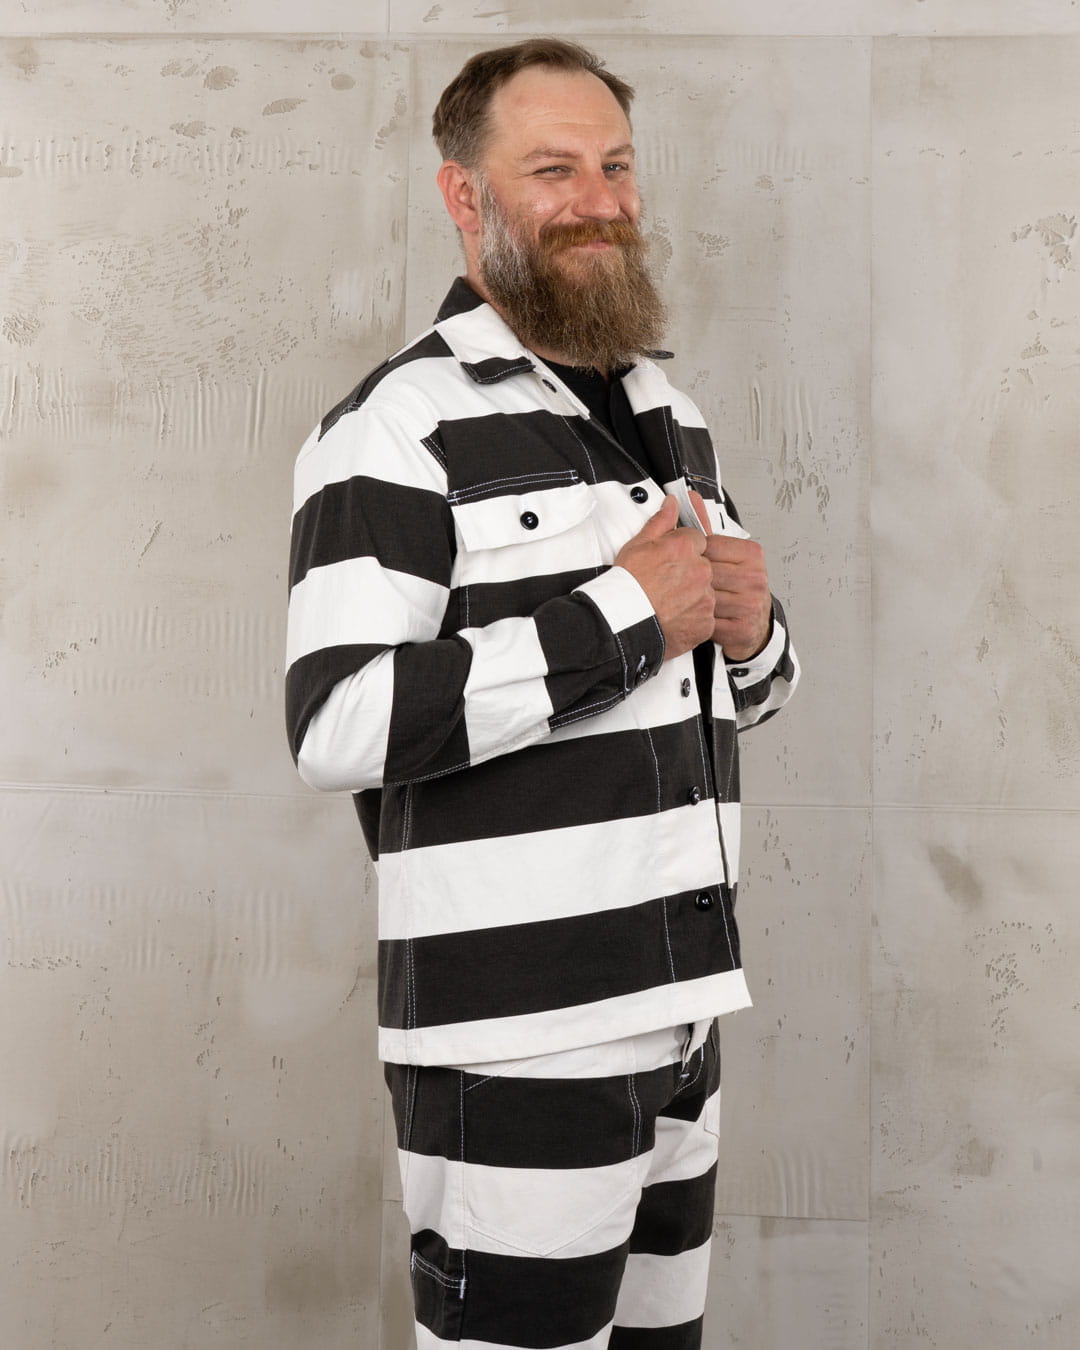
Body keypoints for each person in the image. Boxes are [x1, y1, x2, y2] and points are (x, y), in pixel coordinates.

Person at [286, 37, 799, 1350]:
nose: (599, 200)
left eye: (616, 166)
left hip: (682, 1014)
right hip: (517, 1038)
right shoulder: (395, 424)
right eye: (554, 169)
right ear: (466, 195)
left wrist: (753, 635)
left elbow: (719, 690)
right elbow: (339, 722)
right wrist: (624, 614)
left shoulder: (667, 411)